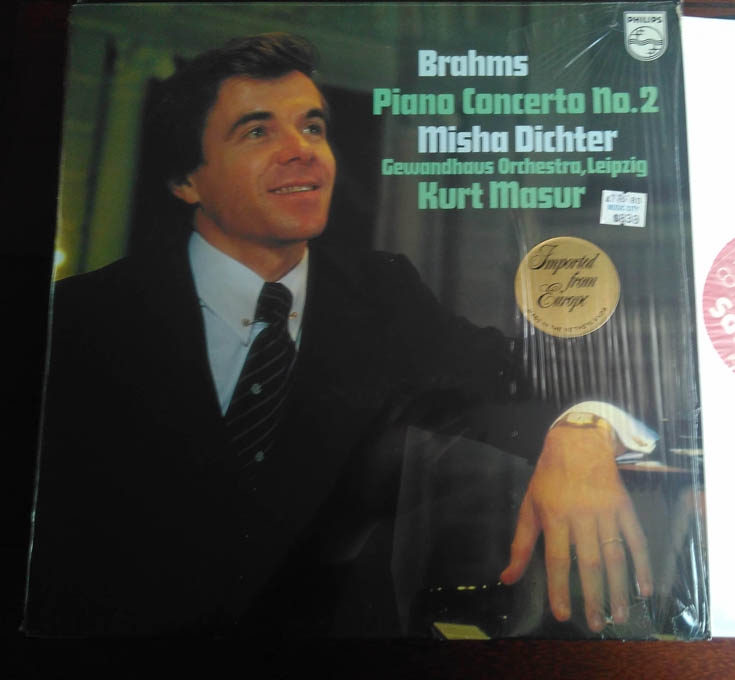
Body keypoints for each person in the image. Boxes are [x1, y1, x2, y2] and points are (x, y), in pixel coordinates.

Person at [25, 34, 655, 637]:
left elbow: (530, 375)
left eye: (312, 127)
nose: (302, 150)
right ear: (186, 179)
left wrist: (581, 430)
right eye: (257, 131)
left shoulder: (386, 295)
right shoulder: (81, 318)